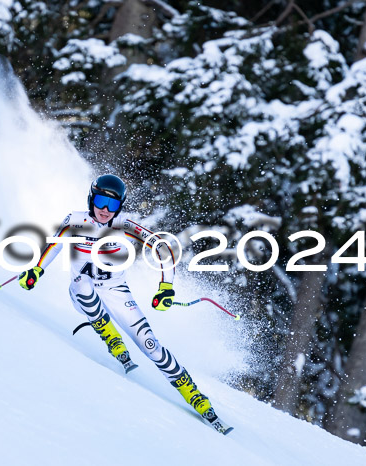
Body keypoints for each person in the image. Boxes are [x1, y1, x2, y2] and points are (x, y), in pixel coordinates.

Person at [18, 174, 231, 433]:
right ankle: (110, 337)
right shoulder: (75, 220)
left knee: (150, 345)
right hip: (82, 293)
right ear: (90, 198)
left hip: (117, 292)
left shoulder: (125, 225)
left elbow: (162, 249)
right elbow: (53, 245)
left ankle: (195, 396)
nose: (105, 210)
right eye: (99, 201)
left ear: (120, 206)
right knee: (83, 285)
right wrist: (36, 270)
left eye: (112, 205)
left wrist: (166, 287)